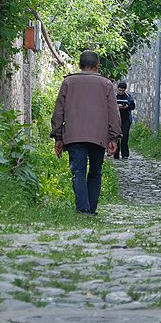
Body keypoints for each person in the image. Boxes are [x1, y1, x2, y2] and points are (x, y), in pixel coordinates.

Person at [51, 50, 122, 214]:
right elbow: (113, 112)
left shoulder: (68, 83)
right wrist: (113, 137)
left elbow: (58, 111)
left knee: (78, 172)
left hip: (74, 135)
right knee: (96, 172)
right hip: (99, 136)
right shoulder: (106, 84)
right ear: (97, 66)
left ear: (79, 65)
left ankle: (82, 207)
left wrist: (58, 136)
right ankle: (91, 209)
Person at [113, 80, 135, 160]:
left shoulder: (128, 96)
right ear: (117, 89)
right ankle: (116, 154)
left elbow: (133, 106)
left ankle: (125, 154)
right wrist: (117, 106)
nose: (121, 92)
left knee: (125, 136)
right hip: (116, 119)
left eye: (123, 90)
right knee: (116, 137)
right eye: (120, 90)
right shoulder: (113, 96)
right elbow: (109, 106)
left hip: (126, 119)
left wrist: (126, 107)